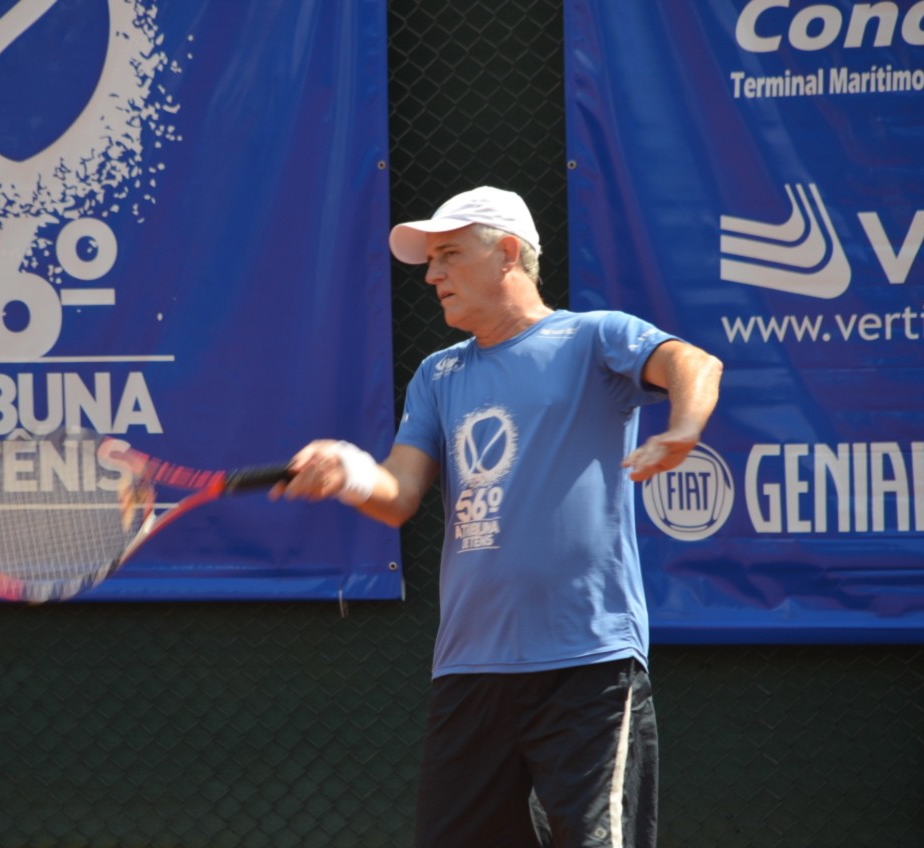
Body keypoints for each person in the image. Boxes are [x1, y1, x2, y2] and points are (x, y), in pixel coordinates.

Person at [275, 186, 723, 847]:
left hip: (587, 663)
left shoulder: (594, 338)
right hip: (470, 671)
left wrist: (683, 429)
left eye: (450, 255)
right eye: (431, 260)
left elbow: (694, 362)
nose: (432, 275)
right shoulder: (437, 375)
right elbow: (397, 492)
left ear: (509, 253)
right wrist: (348, 472)